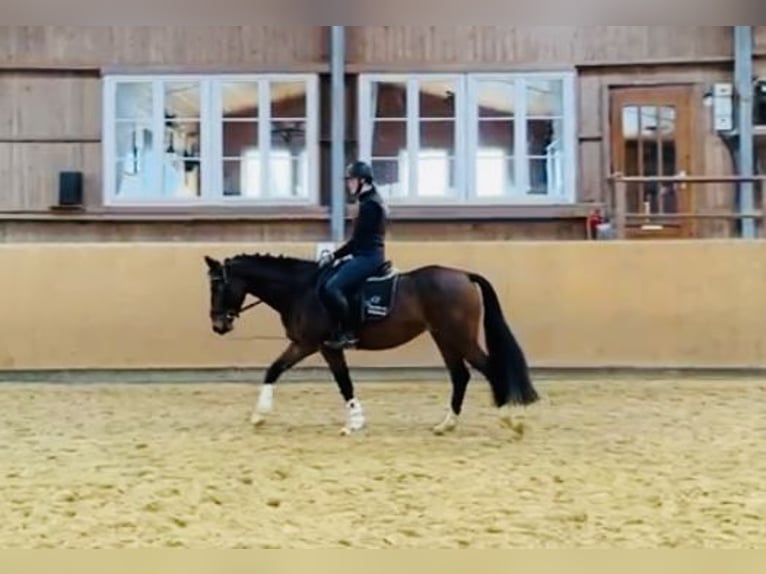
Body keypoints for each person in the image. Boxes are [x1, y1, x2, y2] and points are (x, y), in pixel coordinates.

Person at [318, 160, 388, 350]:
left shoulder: (370, 205)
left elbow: (356, 242)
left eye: (351, 180)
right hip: (365, 254)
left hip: (368, 257)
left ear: (363, 181)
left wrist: (333, 256)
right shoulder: (368, 200)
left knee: (332, 287)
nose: (349, 184)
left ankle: (348, 333)